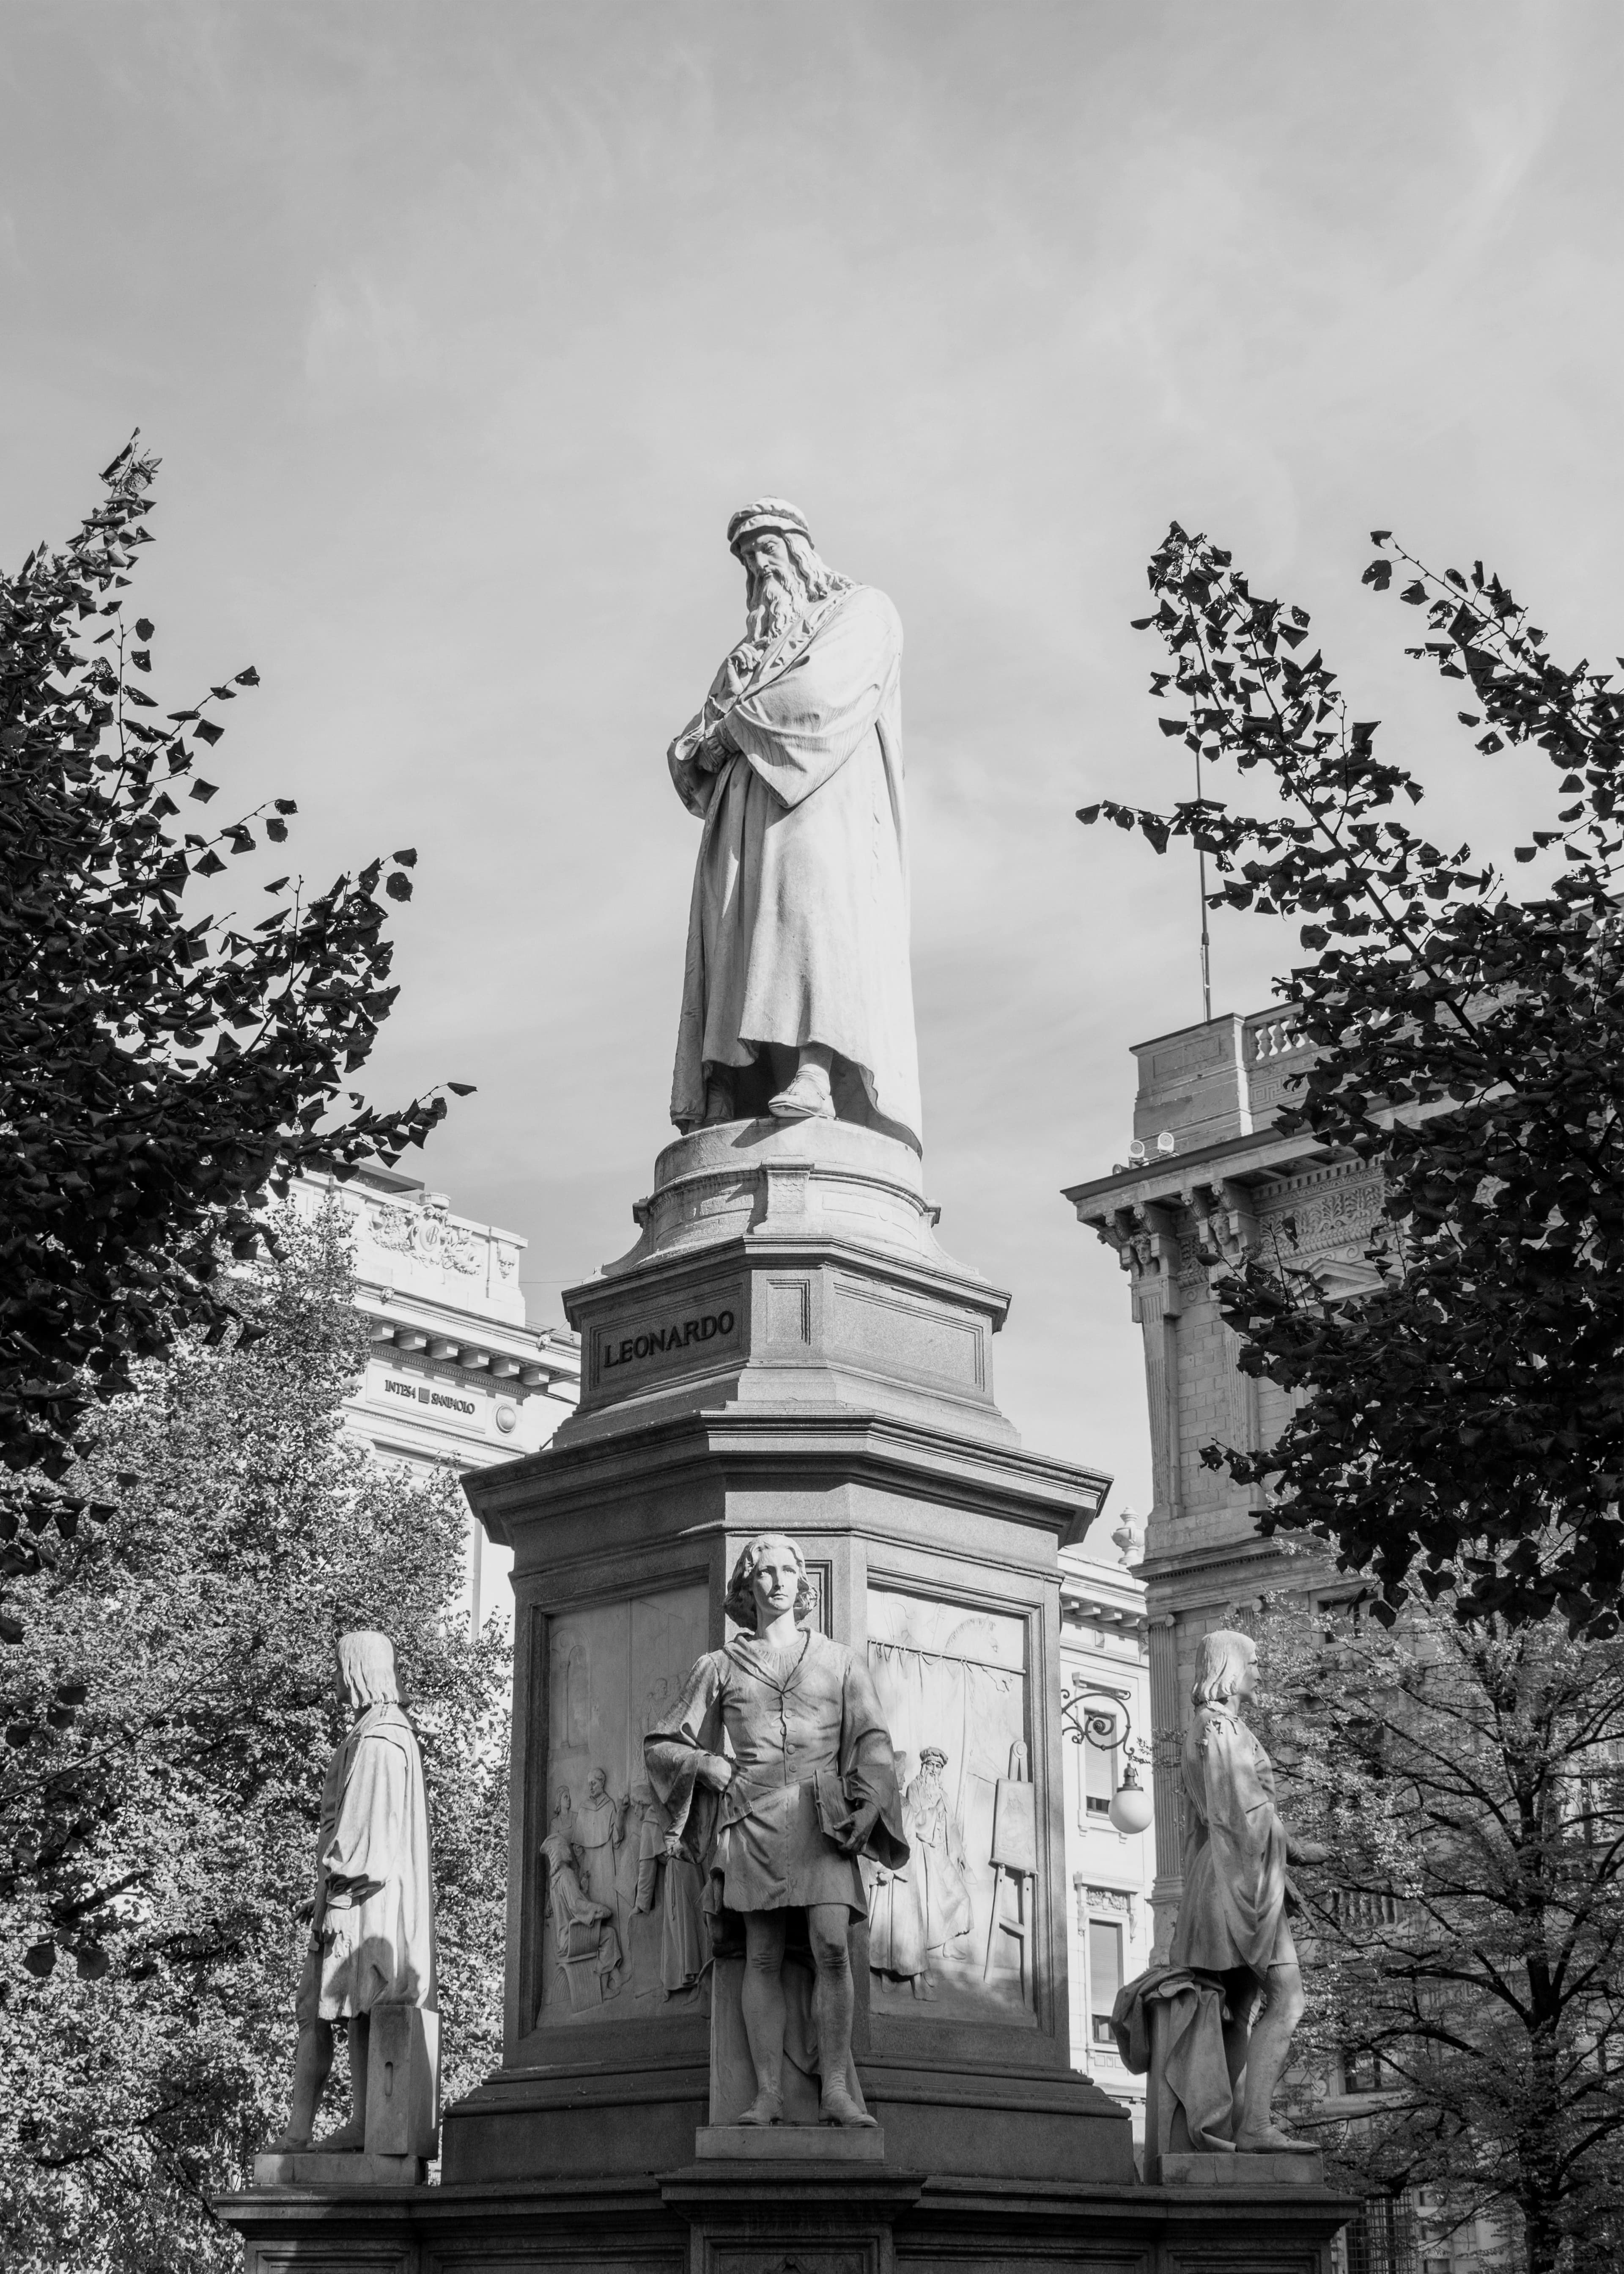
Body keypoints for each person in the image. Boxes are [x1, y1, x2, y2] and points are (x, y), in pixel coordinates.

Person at [667, 500, 921, 1148]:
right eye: (748, 561)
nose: (758, 567)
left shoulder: (862, 611)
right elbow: (695, 740)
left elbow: (817, 696)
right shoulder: (749, 652)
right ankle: (728, 1078)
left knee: (811, 920)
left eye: (766, 551)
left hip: (820, 801)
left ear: (801, 551)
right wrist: (710, 739)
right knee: (736, 936)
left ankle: (817, 1068)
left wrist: (730, 730)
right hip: (741, 815)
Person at [645, 1532, 908, 2126]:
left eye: (789, 1569)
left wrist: (870, 1808)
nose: (779, 1580)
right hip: (752, 1816)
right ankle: (768, 2093)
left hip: (824, 1817)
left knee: (833, 1948)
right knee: (762, 1954)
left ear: (803, 1581)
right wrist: (702, 1762)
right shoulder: (719, 1667)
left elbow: (873, 1743)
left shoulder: (841, 1662)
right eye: (765, 1572)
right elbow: (662, 1744)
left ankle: (837, 2089)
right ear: (748, 1585)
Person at [267, 1631, 437, 2154]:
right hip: (345, 1895)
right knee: (327, 2009)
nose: (334, 1678)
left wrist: (338, 1896)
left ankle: (358, 2124)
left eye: (339, 1666)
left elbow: (369, 1835)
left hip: (362, 1899)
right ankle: (308, 2130)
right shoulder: (368, 1734)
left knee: (355, 2004)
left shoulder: (381, 1738)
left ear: (359, 1668)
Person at [1168, 1628, 1325, 2153]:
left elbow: (1213, 1820)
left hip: (1226, 1875)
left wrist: (1284, 1874)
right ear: (1231, 1667)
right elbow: (1244, 1812)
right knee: (1288, 1999)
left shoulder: (1208, 1727)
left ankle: (1221, 2126)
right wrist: (1297, 1851)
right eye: (1254, 1662)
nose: (1260, 1671)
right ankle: (1255, 2126)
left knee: (1238, 2007)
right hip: (1237, 1880)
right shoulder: (1221, 1728)